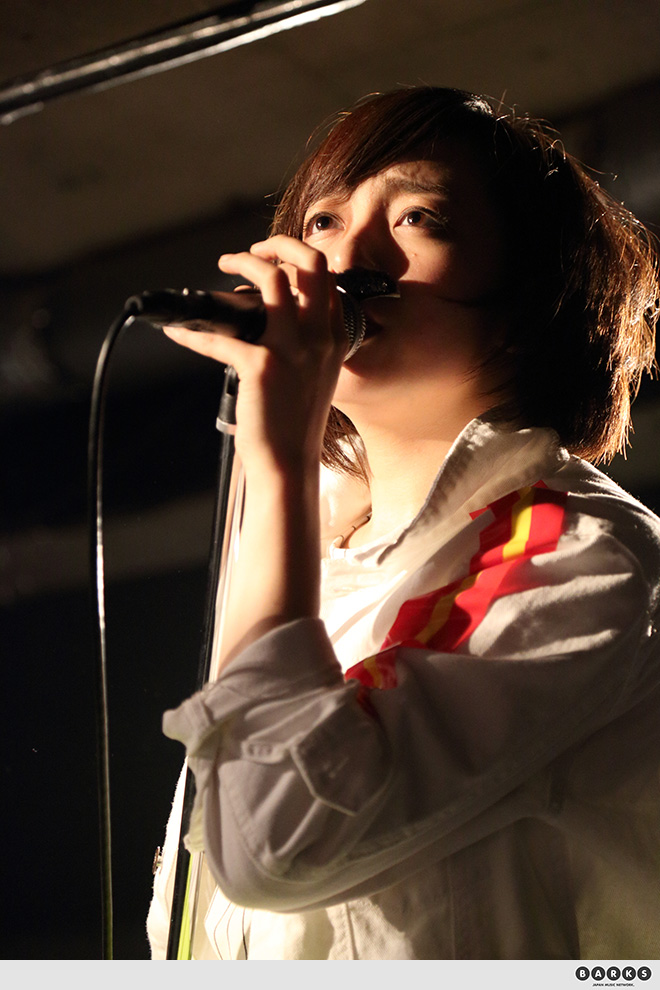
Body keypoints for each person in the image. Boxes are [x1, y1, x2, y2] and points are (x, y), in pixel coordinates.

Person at [146, 86, 660, 960]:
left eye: (418, 216)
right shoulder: (313, 552)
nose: (346, 259)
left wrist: (280, 449)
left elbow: (277, 843)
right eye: (323, 222)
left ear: (530, 296)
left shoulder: (577, 550)